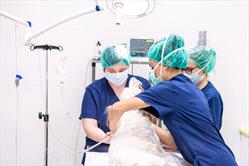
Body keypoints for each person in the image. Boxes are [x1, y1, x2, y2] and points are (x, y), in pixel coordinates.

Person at [107, 37, 237, 166]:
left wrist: (115, 132)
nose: (153, 74)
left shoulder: (170, 88)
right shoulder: (187, 87)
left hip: (210, 161)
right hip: (219, 158)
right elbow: (174, 141)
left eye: (153, 68)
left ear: (165, 65)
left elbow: (116, 108)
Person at [79, 44, 151, 165]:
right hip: (102, 151)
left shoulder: (141, 85)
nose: (117, 74)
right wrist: (108, 139)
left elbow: (151, 120)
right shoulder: (94, 90)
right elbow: (89, 126)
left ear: (128, 66)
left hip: (135, 149)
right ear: (104, 70)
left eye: (122, 70)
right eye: (111, 71)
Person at [185, 46, 223, 130]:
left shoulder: (212, 96)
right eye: (183, 69)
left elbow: (212, 133)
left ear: (203, 68)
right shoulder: (191, 90)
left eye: (189, 69)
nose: (185, 73)